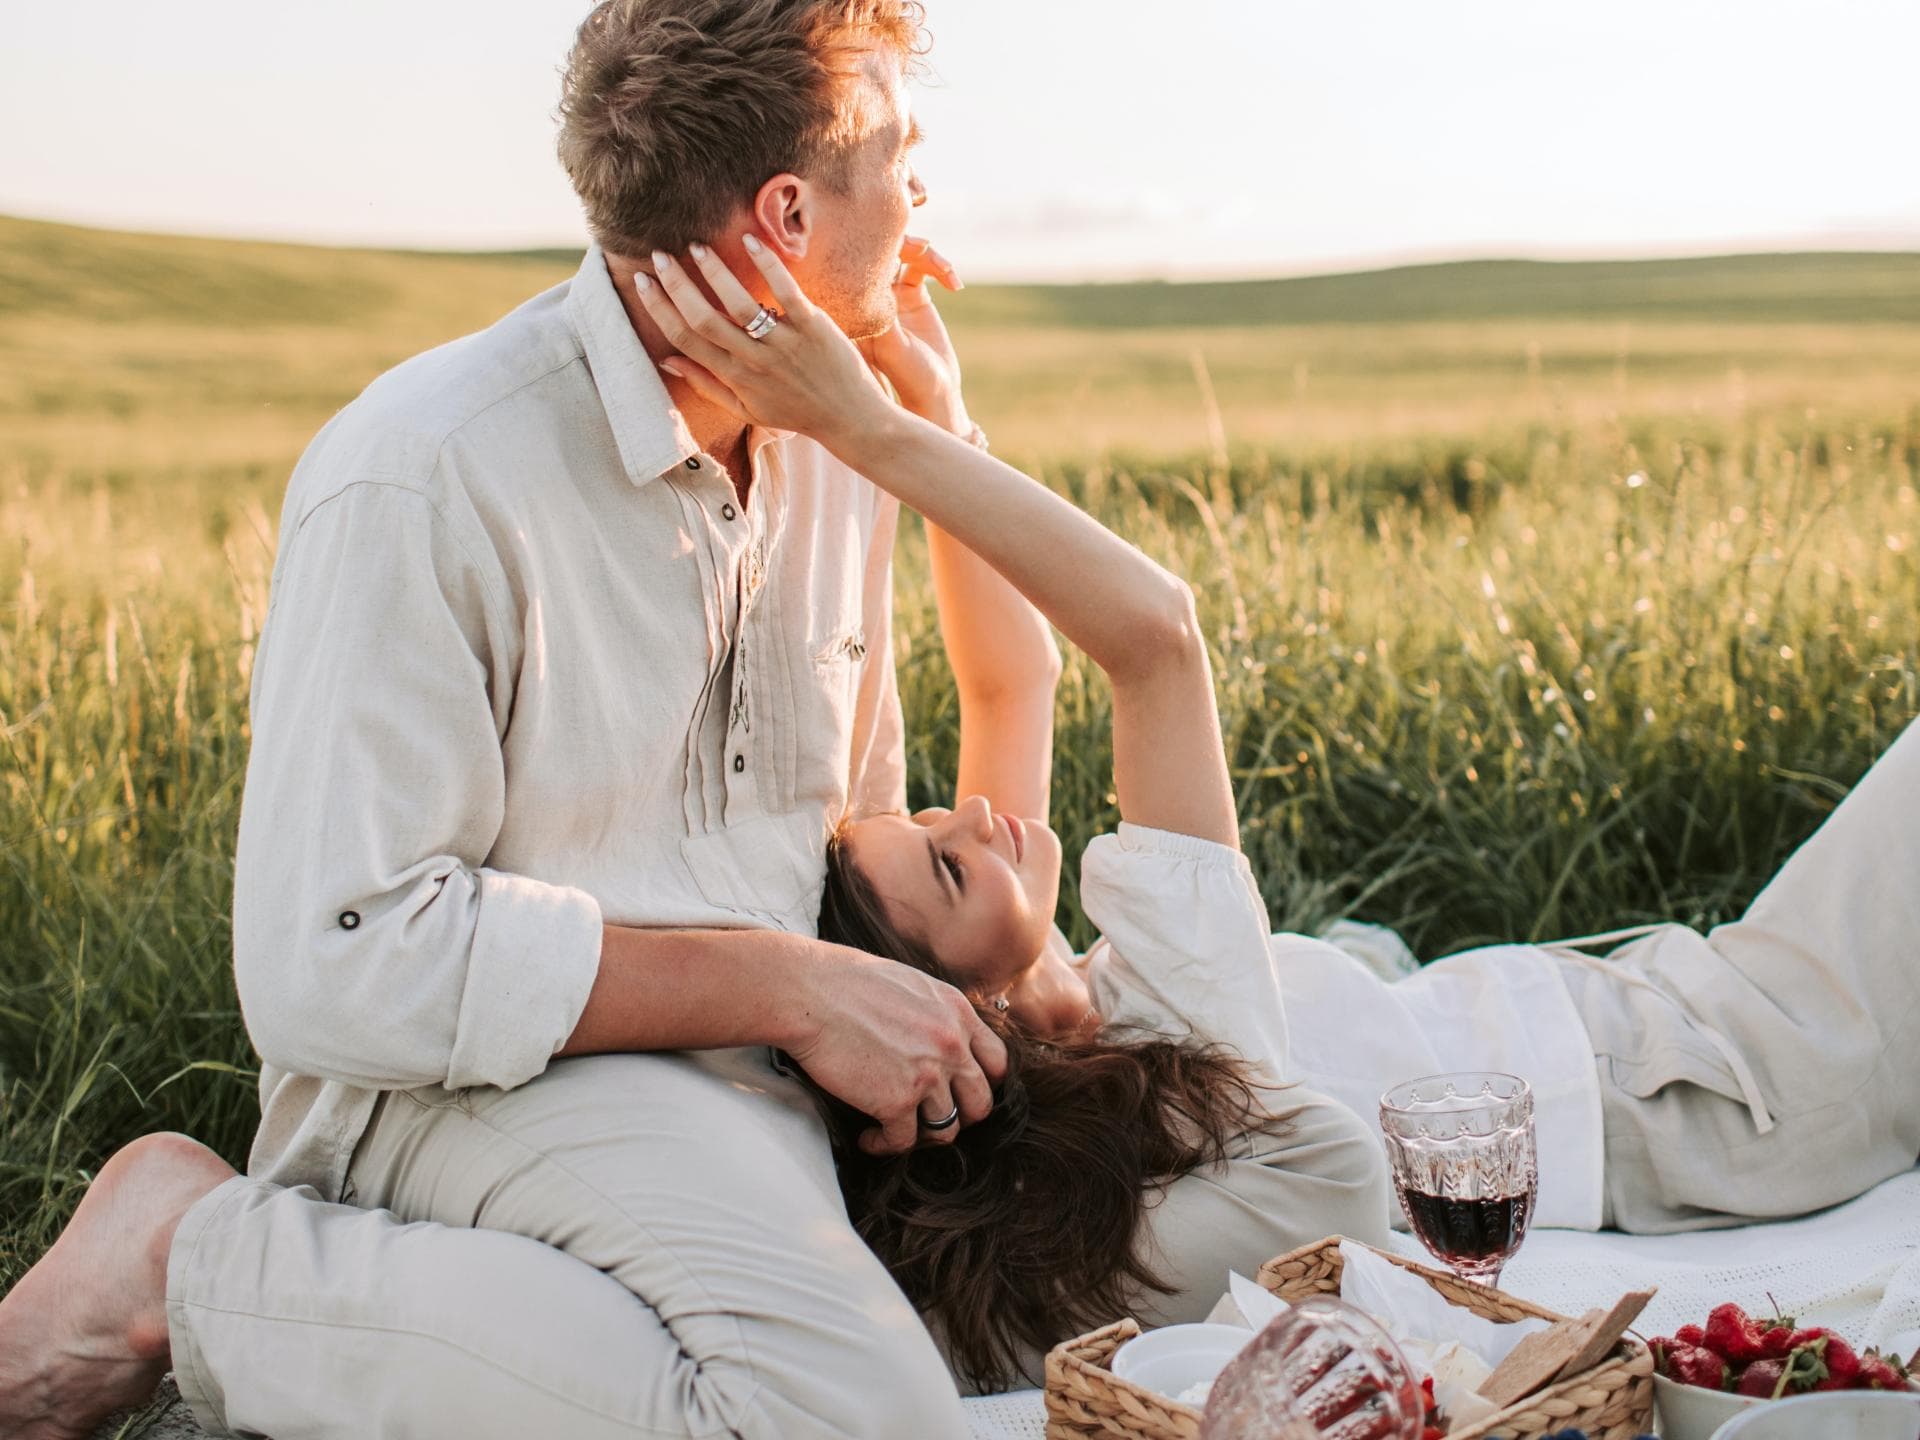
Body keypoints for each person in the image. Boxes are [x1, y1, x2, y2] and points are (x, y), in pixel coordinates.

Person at [621, 225, 1920, 1391]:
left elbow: (1011, 678)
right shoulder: (1171, 1029)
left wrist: (934, 402)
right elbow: (1156, 644)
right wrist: (875, 438)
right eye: (951, 866)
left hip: (1621, 1024)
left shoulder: (1055, 1008)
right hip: (1706, 1088)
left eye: (936, 823)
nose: (972, 819)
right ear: (951, 1026)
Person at [0, 5, 1029, 1439]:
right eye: (900, 159)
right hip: (482, 1085)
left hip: (754, 1101)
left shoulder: (839, 452)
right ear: (788, 216)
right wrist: (787, 990)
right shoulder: (424, 470)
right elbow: (335, 962)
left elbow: (843, 826)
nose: (922, 199)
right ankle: (196, 1254)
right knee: (856, 1421)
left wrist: (947, 976)